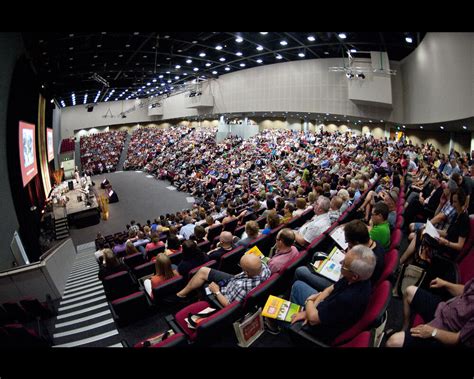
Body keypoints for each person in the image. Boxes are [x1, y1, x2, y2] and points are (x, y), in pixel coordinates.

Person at [269, 245, 375, 342]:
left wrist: (309, 301)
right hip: (322, 310)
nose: (341, 263)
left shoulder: (348, 298)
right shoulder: (356, 278)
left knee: (271, 312)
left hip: (320, 330)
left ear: (355, 276)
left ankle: (289, 332)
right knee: (298, 285)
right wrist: (309, 311)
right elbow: (329, 289)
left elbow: (314, 320)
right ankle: (299, 313)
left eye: (344, 264)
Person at [294, 219, 386, 291]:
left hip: (342, 283)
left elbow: (349, 279)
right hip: (344, 275)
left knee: (300, 270)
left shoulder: (367, 260)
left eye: (348, 243)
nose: (347, 246)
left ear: (357, 242)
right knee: (317, 254)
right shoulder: (375, 244)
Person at [386, 277, 474, 347]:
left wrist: (432, 332)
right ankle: (405, 328)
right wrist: (446, 284)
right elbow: (466, 290)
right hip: (443, 309)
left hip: (445, 330)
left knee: (393, 342)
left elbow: (456, 339)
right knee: (409, 291)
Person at [176, 254, 271, 307]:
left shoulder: (242, 287)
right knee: (203, 270)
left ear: (246, 272)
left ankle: (182, 296)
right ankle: (182, 293)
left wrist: (216, 291)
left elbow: (229, 305)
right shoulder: (264, 267)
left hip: (226, 292)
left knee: (205, 283)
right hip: (235, 280)